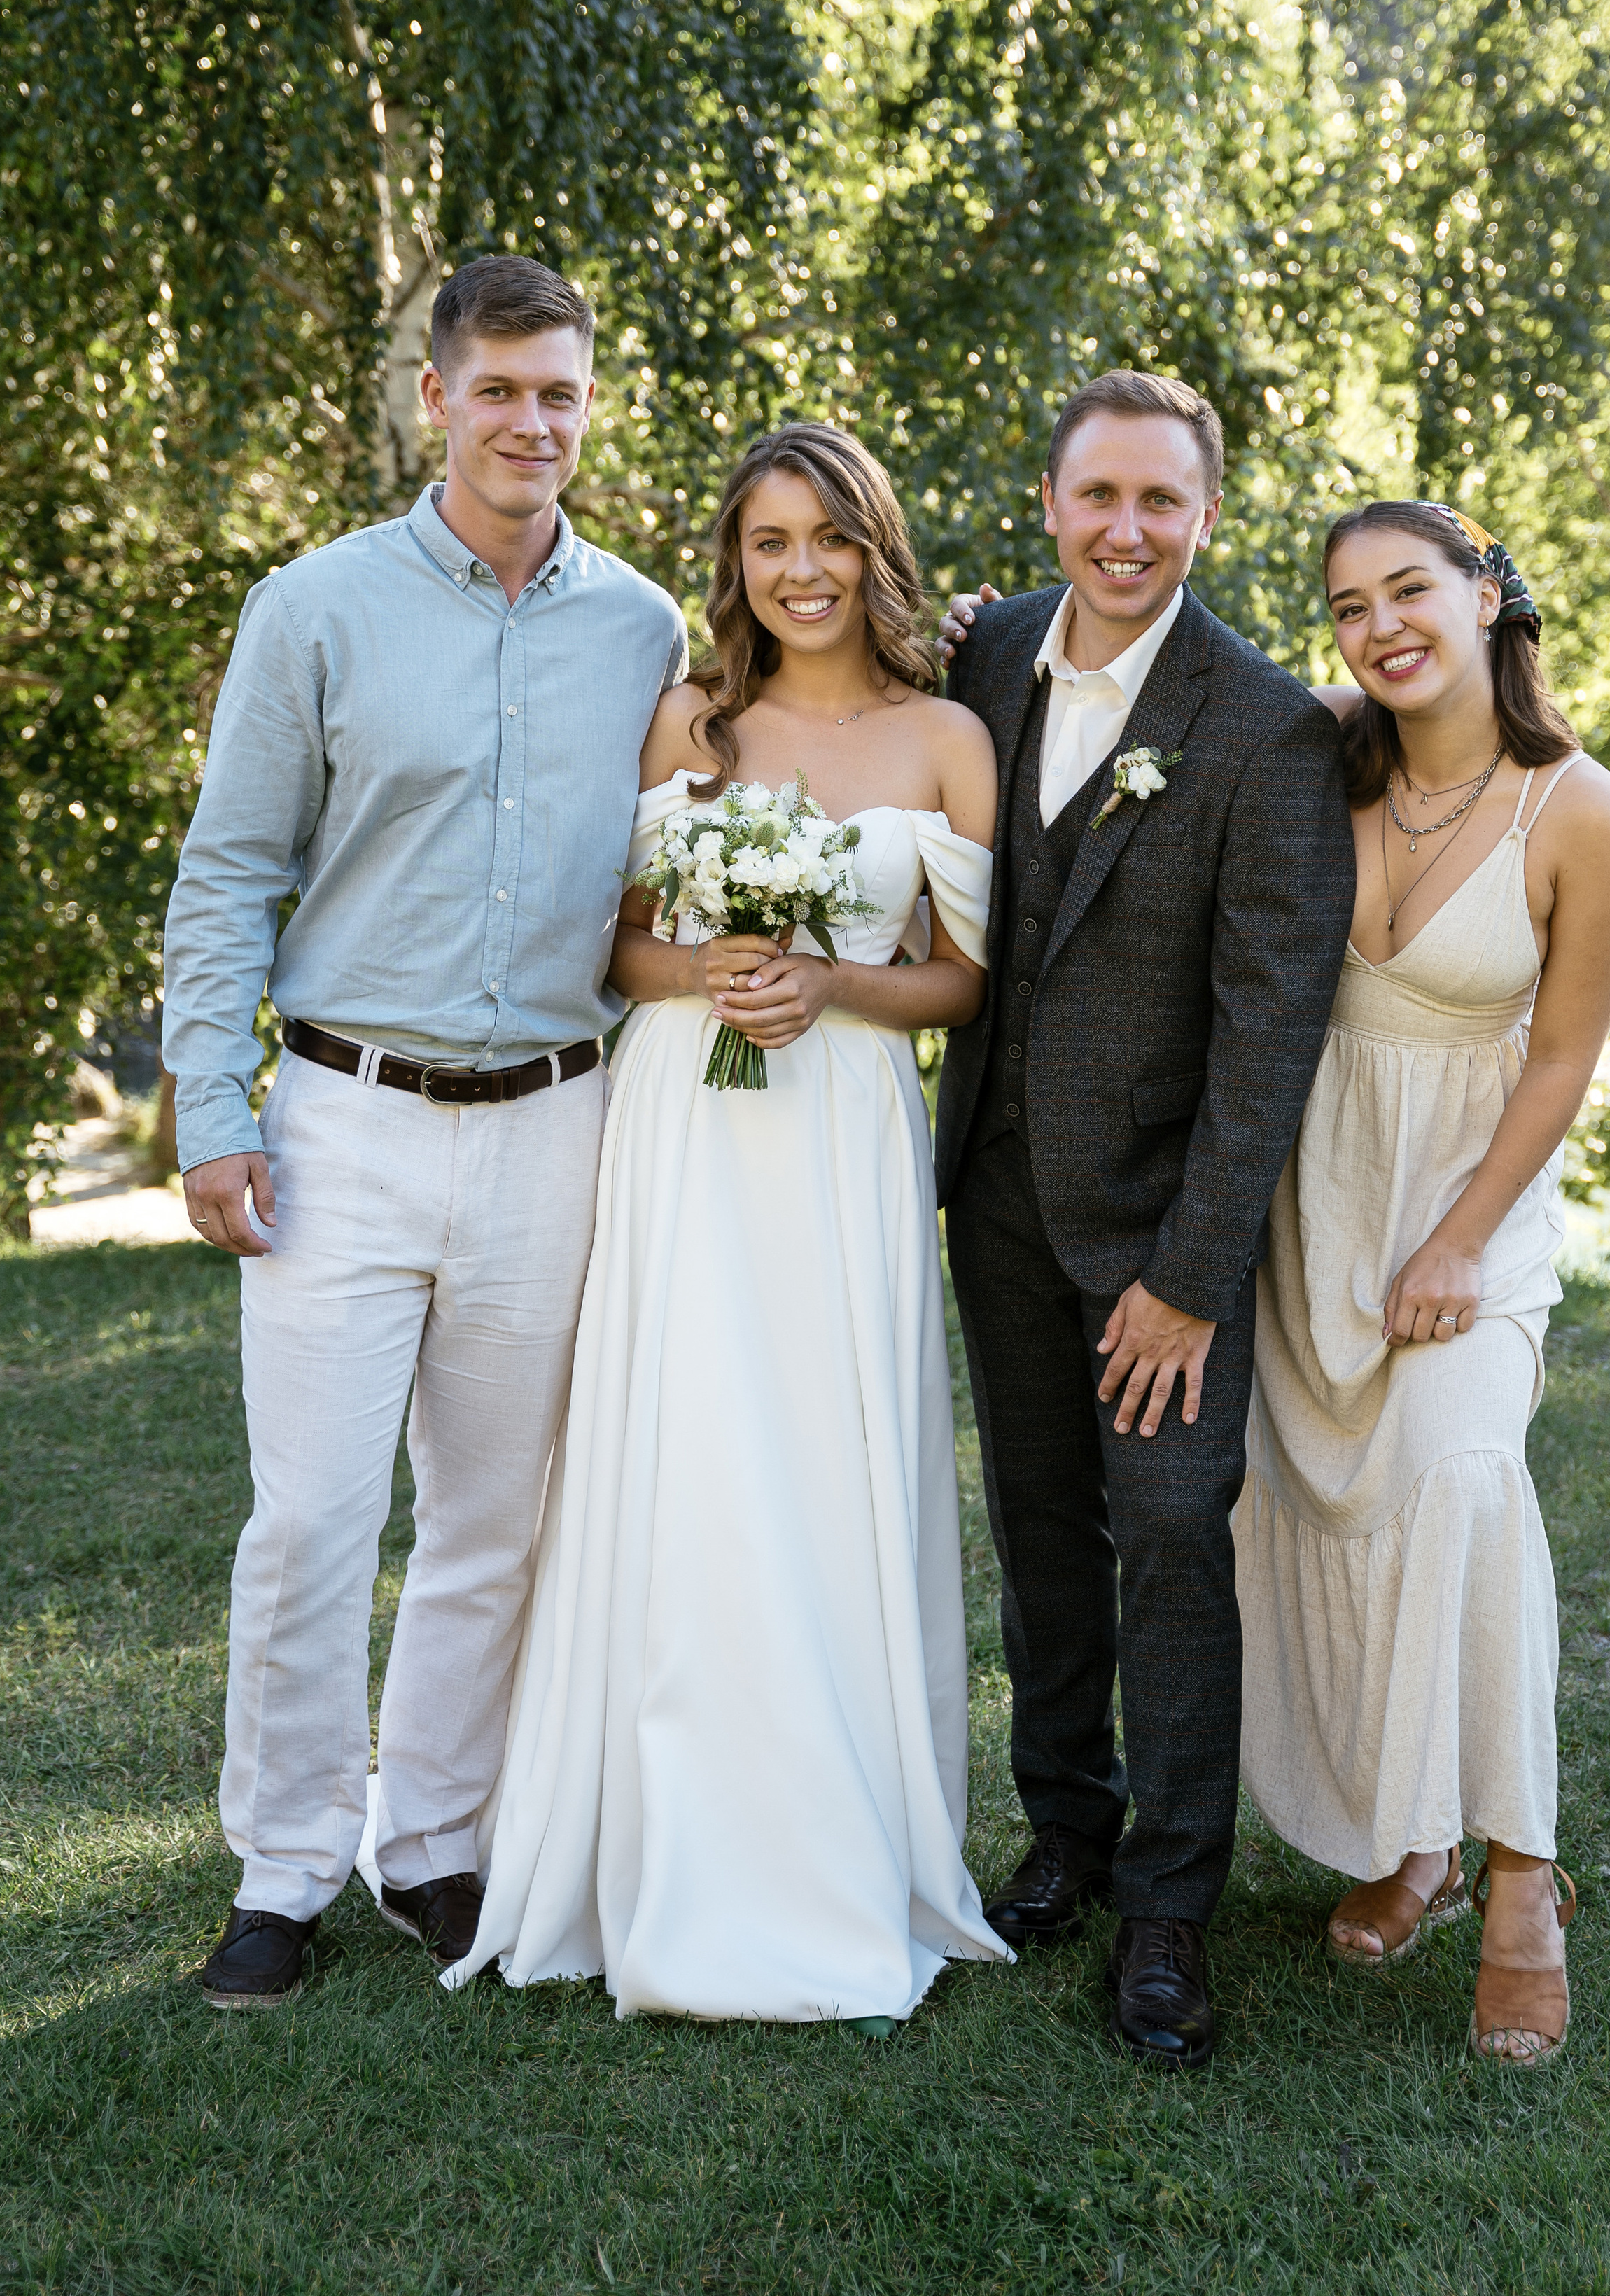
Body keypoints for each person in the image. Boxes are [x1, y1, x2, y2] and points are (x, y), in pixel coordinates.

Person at [162, 255, 687, 2009]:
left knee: (492, 1523)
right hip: (344, 1123)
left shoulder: (644, 629)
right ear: (435, 399)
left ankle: (436, 1844)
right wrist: (212, 1109)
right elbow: (228, 872)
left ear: (588, 407)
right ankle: (282, 1869)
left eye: (560, 394)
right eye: (499, 390)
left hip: (554, 1122)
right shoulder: (314, 608)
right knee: (310, 1524)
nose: (531, 423)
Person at [447, 422, 1012, 2026]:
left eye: (829, 538)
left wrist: (828, 985)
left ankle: (837, 1842)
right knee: (685, 1447)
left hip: (840, 1133)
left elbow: (962, 983)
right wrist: (710, 971)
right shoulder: (685, 721)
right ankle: (663, 1839)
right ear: (736, 561)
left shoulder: (946, 738)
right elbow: (617, 947)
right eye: (770, 541)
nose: (800, 570)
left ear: (873, 551)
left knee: (827, 1452)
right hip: (683, 1124)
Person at [934, 370, 1357, 2071]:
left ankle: (1169, 1906)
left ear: (1204, 517)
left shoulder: (1264, 727)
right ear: (1048, 503)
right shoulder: (980, 656)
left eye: (1157, 501)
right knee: (1040, 1530)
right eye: (1096, 496)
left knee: (1172, 1539)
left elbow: (1269, 1038)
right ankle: (1066, 1828)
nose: (1124, 530)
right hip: (993, 1195)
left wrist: (1188, 1278)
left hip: (1160, 1229)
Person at [1234, 498, 1610, 2066]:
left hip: (1474, 1214)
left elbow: (1562, 1061)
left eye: (1408, 590)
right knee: (1325, 1512)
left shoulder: (1579, 811)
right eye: (1348, 607)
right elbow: (1161, 693)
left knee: (1463, 1483)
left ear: (1486, 594)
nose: (1380, 627)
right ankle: (1412, 1844)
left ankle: (1521, 1879)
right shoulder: (1319, 761)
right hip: (1315, 1214)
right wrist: (982, 637)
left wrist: (1462, 1237)